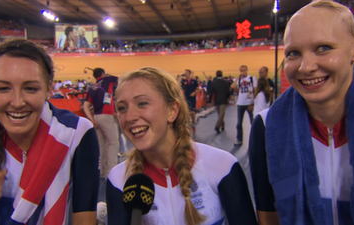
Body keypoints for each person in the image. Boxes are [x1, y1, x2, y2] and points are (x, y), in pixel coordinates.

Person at [0, 39, 100, 224]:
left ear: (49, 88)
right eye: (3, 88)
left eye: (30, 88)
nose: (17, 102)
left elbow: (84, 218)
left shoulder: (77, 134)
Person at [249, 1, 354, 224]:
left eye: (323, 48)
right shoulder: (265, 126)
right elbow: (269, 216)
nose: (305, 67)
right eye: (293, 53)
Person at [106, 67, 257, 225]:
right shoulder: (117, 180)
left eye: (142, 103)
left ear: (172, 110)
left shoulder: (223, 166)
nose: (129, 117)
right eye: (122, 108)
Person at [83, 67, 120, 180]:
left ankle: (101, 171)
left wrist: (91, 119)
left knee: (101, 145)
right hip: (107, 116)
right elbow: (121, 80)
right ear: (103, 73)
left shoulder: (92, 87)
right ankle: (111, 172)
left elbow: (85, 106)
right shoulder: (108, 80)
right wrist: (108, 75)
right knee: (113, 143)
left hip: (96, 117)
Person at [232, 65, 257, 146]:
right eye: (241, 70)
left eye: (244, 70)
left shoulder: (252, 79)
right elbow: (233, 87)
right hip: (240, 103)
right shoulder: (239, 79)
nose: (243, 72)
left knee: (252, 122)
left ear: (247, 70)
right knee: (239, 123)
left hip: (249, 103)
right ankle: (239, 139)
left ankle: (255, 139)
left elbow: (255, 91)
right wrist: (237, 78)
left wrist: (252, 103)